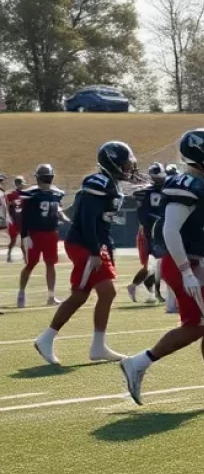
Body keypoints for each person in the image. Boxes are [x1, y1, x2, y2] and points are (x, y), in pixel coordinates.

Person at [117, 129, 204, 408]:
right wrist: (185, 270)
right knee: (196, 326)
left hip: (198, 262)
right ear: (199, 154)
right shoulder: (186, 184)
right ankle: (138, 363)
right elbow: (170, 230)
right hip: (182, 262)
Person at [33, 142, 141, 366]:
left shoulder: (111, 184)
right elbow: (87, 219)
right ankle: (49, 338)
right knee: (97, 292)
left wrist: (105, 249)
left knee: (88, 295)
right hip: (83, 243)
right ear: (112, 162)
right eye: (124, 163)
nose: (129, 168)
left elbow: (104, 224)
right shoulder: (97, 182)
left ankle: (95, 345)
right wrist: (94, 251)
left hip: (94, 244)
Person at [16, 164, 68, 308]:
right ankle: (21, 292)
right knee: (32, 264)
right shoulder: (33, 193)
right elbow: (25, 216)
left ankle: (50, 297)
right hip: (36, 233)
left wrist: (62, 216)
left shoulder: (53, 193)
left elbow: (58, 209)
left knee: (49, 264)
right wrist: (25, 236)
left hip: (50, 232)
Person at [126, 162, 167, 305]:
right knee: (156, 263)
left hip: (156, 229)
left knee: (156, 264)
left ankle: (150, 291)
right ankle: (150, 290)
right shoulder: (149, 192)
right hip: (151, 231)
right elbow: (144, 215)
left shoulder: (154, 190)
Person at [5, 174, 26, 262]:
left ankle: (25, 258)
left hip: (22, 220)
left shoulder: (25, 194)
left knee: (23, 241)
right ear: (18, 184)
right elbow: (6, 207)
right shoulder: (10, 195)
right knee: (13, 240)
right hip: (14, 220)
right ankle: (9, 255)